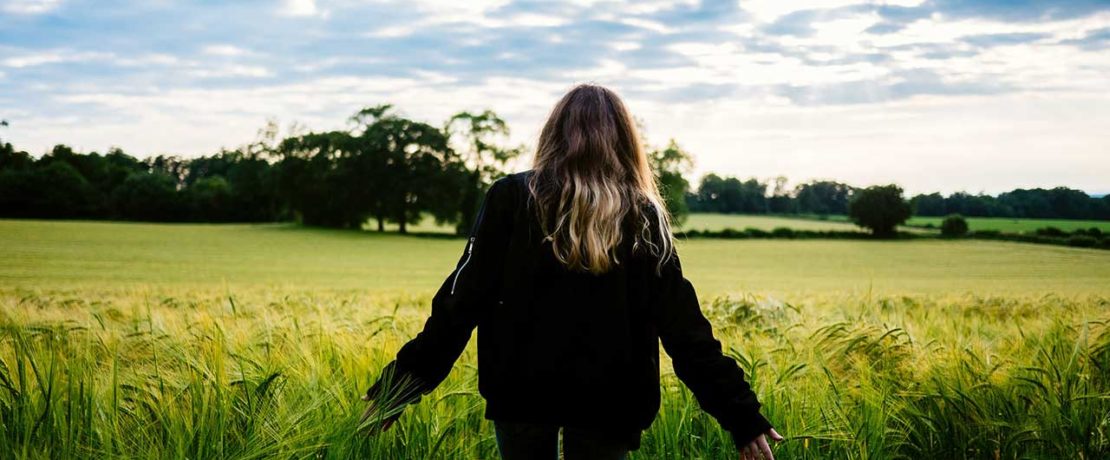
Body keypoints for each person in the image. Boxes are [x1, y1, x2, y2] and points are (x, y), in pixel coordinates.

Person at [362, 84, 782, 459]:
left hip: (521, 402)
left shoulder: (511, 199)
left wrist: (396, 390)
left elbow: (458, 307)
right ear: (623, 142)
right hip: (611, 409)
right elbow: (686, 331)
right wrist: (741, 416)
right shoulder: (641, 215)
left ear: (552, 135)